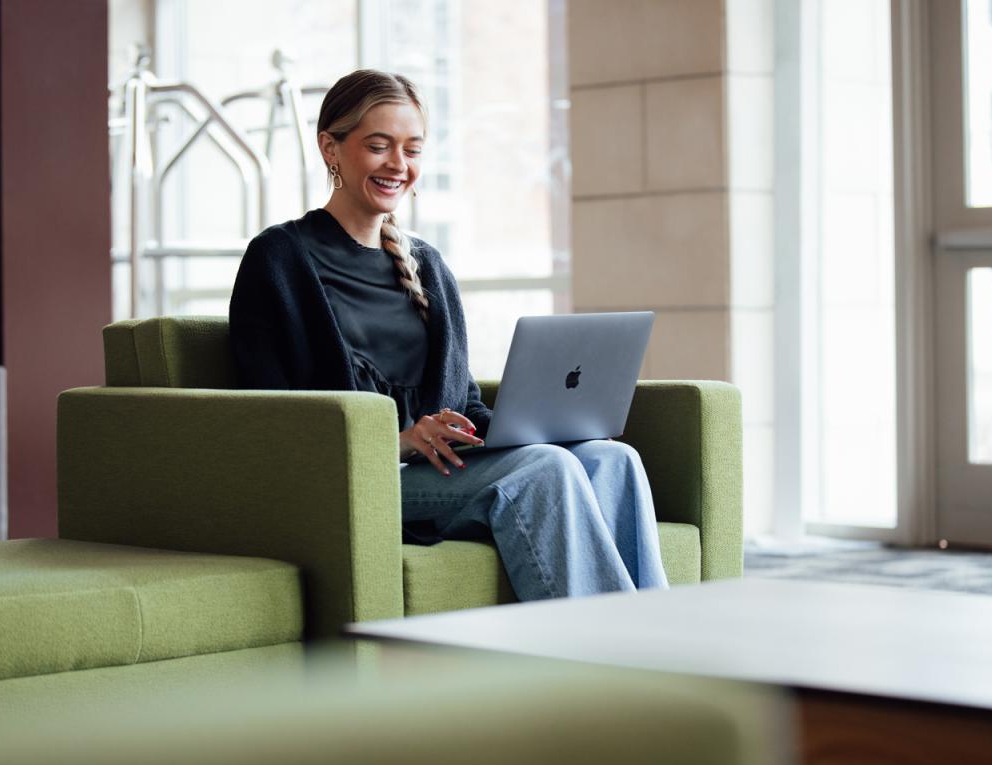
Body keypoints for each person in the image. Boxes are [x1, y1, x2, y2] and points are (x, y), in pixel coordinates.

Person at [229, 69, 667, 601]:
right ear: (331, 148)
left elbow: (465, 402)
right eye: (378, 146)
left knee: (611, 458)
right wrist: (402, 442)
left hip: (443, 469)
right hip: (356, 481)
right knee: (545, 470)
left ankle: (655, 643)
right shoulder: (279, 259)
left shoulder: (427, 266)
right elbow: (267, 420)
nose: (399, 165)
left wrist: (521, 430)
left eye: (412, 149)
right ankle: (614, 664)